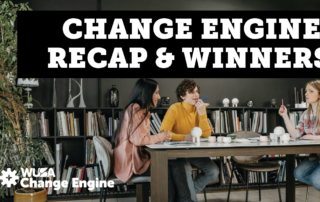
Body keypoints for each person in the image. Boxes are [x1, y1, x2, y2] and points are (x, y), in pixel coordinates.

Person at [112, 78, 194, 201]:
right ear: (146, 93)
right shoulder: (136, 109)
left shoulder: (140, 110)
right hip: (131, 165)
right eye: (156, 92)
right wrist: (161, 136)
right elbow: (140, 139)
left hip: (136, 160)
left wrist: (160, 137)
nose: (159, 96)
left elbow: (142, 138)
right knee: (171, 166)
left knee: (175, 165)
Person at [160, 79, 220, 202]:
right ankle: (188, 198)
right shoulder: (174, 108)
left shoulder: (200, 109)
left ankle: (182, 196)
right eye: (191, 92)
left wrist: (202, 114)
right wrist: (184, 137)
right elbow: (163, 132)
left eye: (197, 91)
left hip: (194, 152)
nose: (196, 95)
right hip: (177, 153)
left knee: (214, 171)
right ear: (182, 96)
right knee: (185, 171)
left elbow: (207, 134)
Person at [279, 79, 320, 191]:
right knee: (299, 173)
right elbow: (295, 135)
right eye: (306, 91)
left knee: (316, 181)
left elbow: (314, 137)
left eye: (311, 91)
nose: (306, 94)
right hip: (316, 157)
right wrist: (285, 116)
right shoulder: (306, 114)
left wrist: (314, 137)